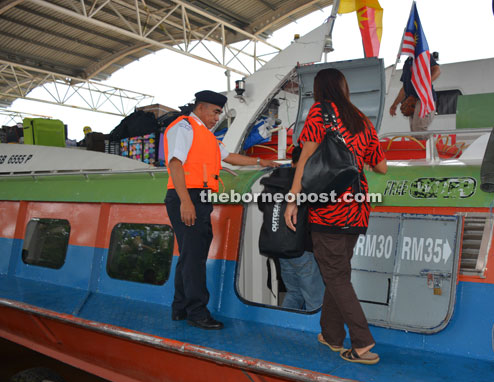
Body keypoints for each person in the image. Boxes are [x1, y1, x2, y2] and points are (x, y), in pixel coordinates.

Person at [284, 69, 387, 364]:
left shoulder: (320, 112)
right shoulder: (361, 119)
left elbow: (304, 159)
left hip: (328, 208)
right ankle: (331, 335)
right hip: (357, 208)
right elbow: (381, 167)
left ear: (319, 90)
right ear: (344, 87)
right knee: (338, 273)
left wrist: (293, 199)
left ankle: (362, 342)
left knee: (336, 275)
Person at [165, 90, 278, 330]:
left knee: (189, 254)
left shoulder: (206, 136)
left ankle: (180, 307)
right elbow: (175, 163)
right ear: (202, 107)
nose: (217, 118)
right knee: (194, 257)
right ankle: (197, 312)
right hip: (188, 196)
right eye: (215, 112)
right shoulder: (184, 127)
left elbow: (230, 157)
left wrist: (261, 162)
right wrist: (186, 201)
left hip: (201, 197)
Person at [279, 146, 325, 311]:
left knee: (294, 293)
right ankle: (317, 333)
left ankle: (284, 328)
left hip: (282, 250)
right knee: (315, 301)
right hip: (304, 250)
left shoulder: (278, 182)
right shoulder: (311, 184)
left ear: (292, 164)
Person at [389, 54, 441, 135]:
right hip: (412, 101)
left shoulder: (423, 55)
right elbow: (404, 88)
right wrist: (394, 104)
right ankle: (423, 146)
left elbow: (437, 70)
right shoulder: (407, 62)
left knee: (418, 128)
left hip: (424, 99)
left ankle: (430, 147)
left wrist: (426, 83)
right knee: (414, 130)